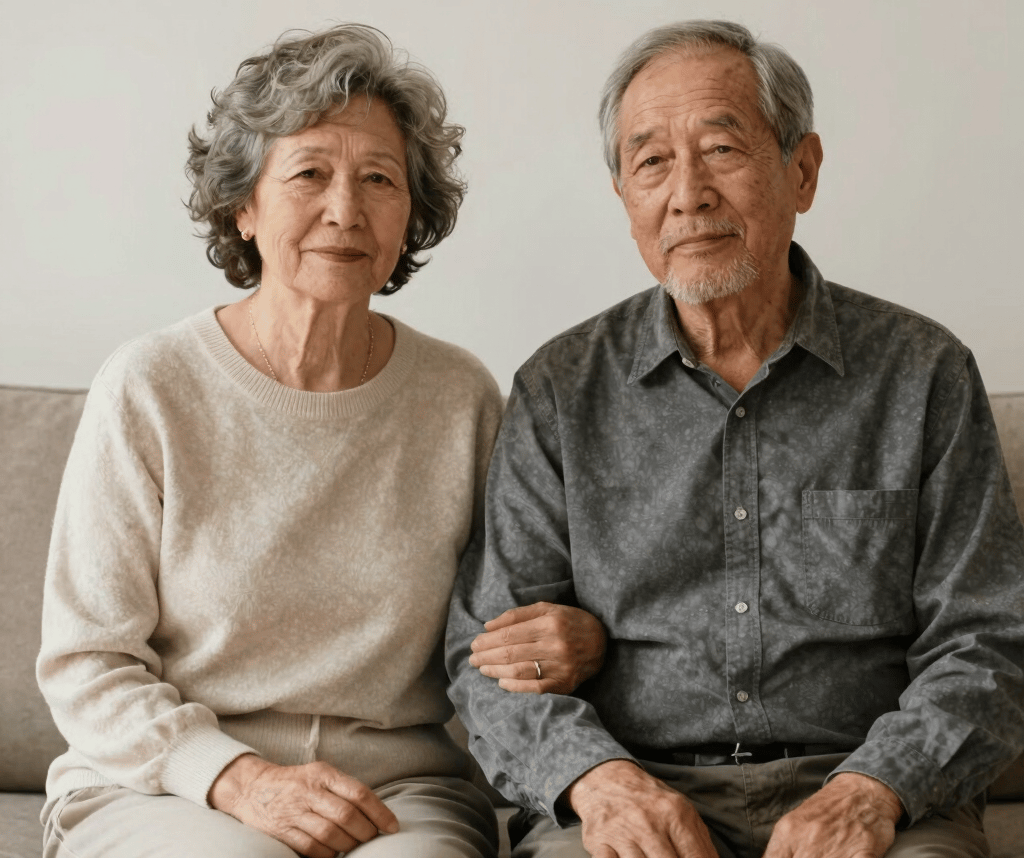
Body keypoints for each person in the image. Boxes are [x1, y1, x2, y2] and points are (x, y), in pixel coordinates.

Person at [447, 19, 1024, 858]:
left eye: (720, 148)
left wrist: (876, 789)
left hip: (872, 789)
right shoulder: (561, 389)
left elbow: (989, 639)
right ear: (625, 198)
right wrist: (598, 783)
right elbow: (487, 658)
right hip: (636, 783)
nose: (687, 193)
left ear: (803, 170)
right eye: (650, 161)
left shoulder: (922, 374)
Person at [36, 24, 605, 858]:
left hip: (401, 791)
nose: (347, 210)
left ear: (411, 216)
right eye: (309, 173)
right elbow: (87, 661)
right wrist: (241, 779)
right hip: (170, 783)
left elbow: (507, 618)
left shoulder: (460, 397)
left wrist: (580, 638)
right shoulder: (151, 386)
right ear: (244, 204)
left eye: (380, 179)